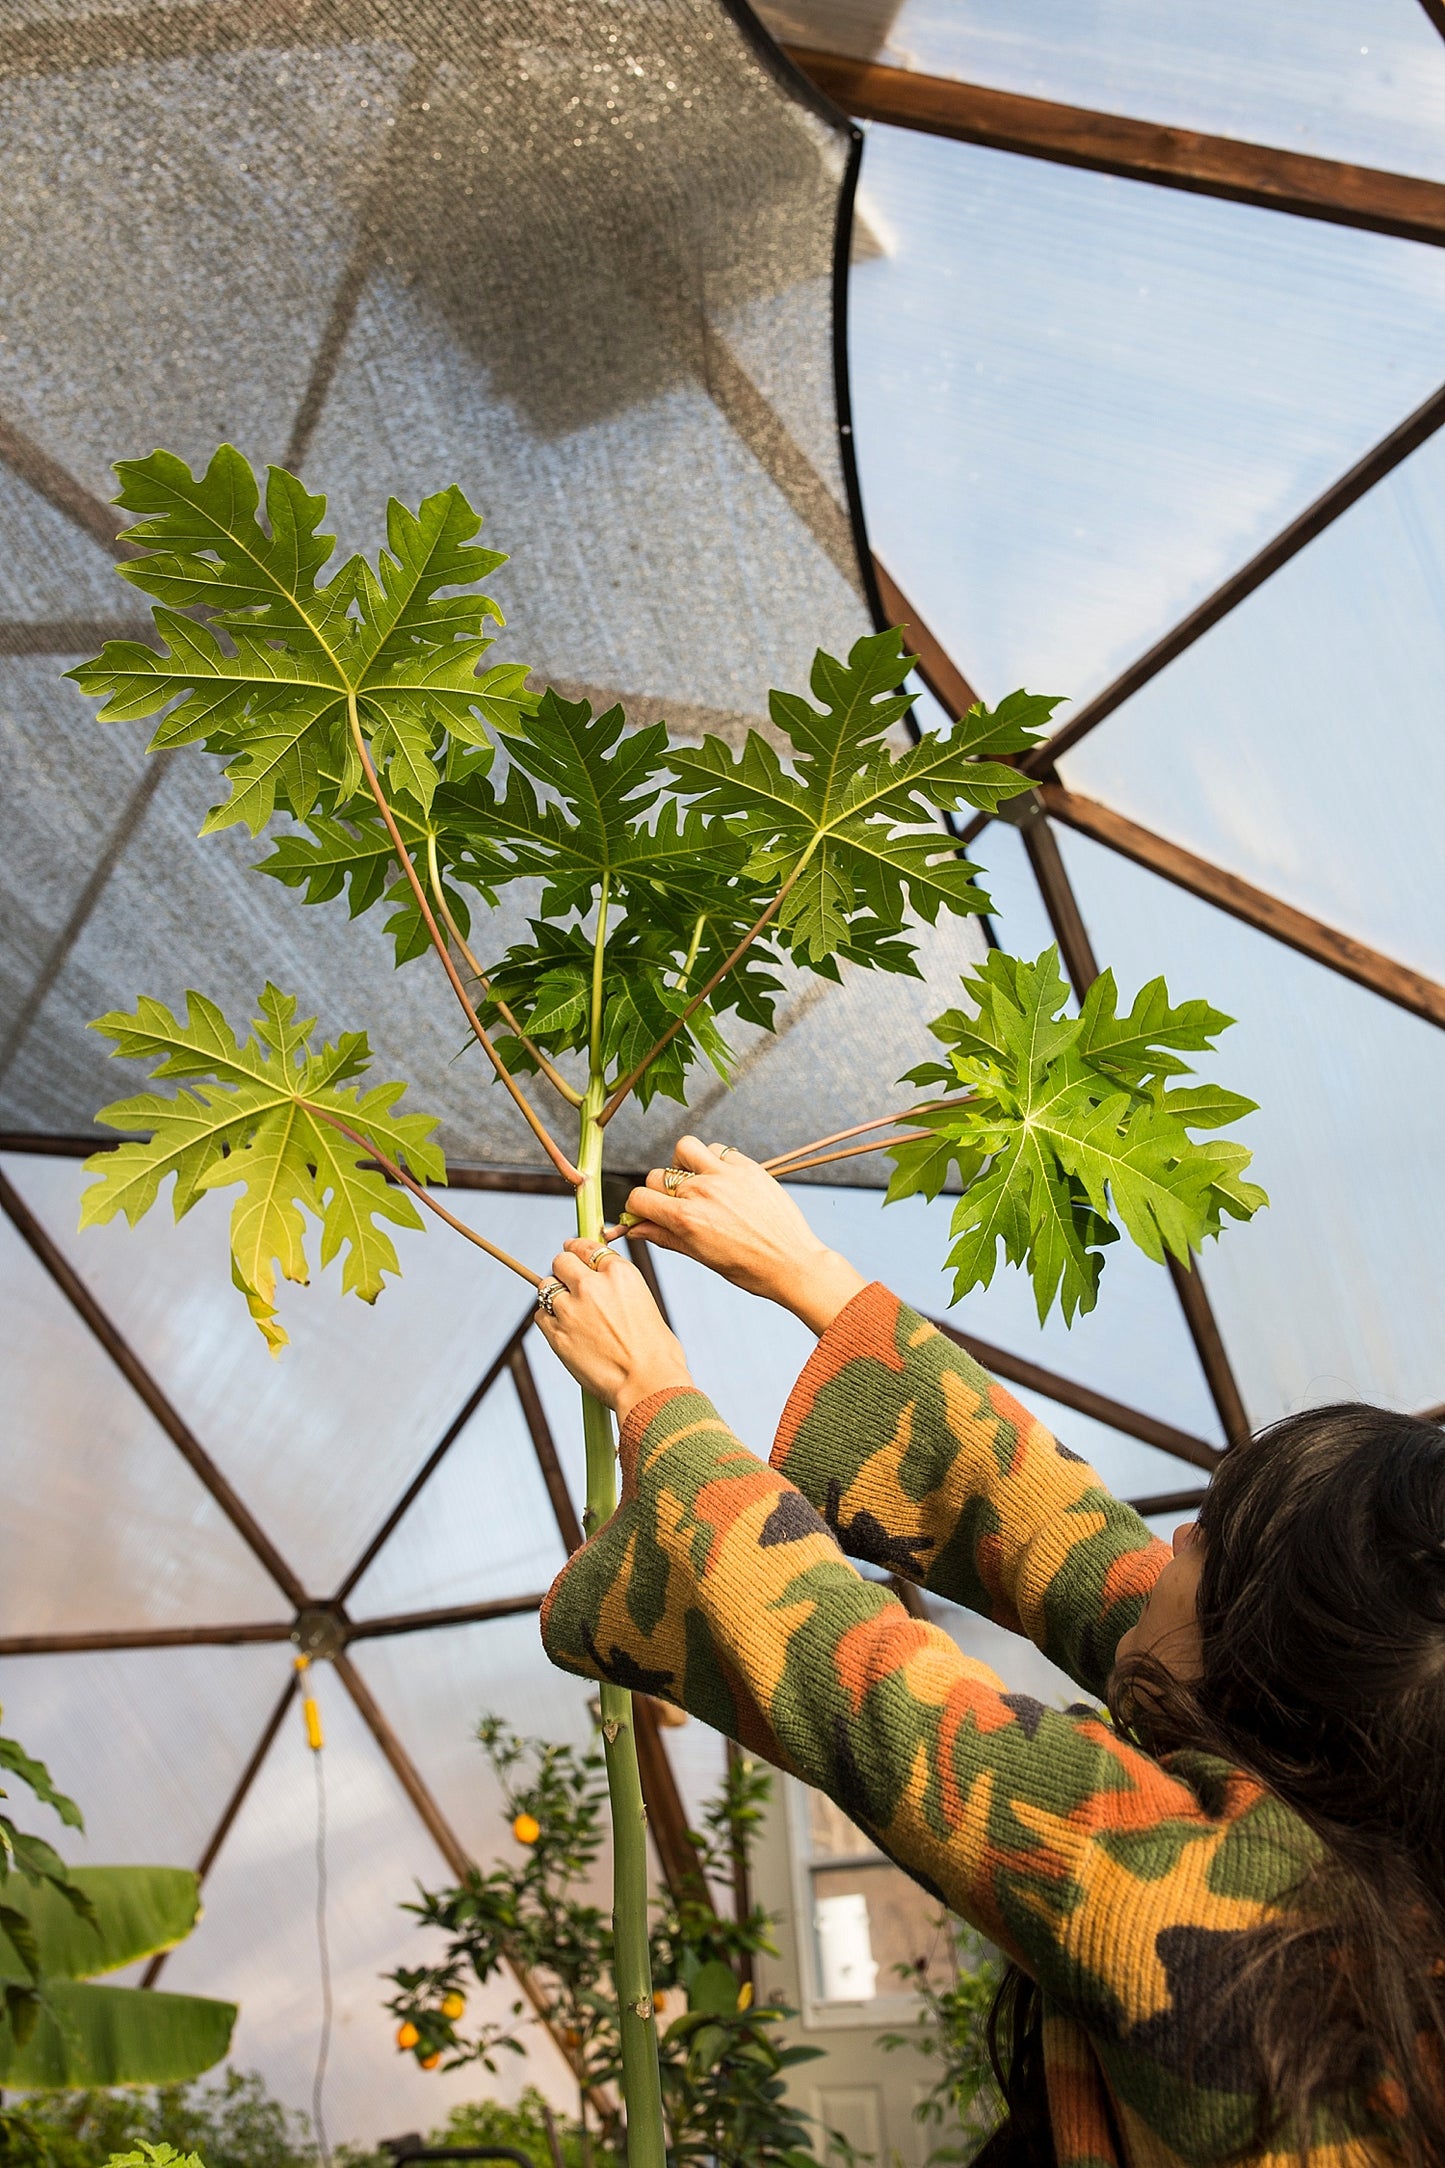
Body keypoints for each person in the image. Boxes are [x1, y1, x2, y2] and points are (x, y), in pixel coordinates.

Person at [534, 1135, 1445, 2168]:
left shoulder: (1239, 1921)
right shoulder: (1377, 1784)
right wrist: (806, 1271)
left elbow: (873, 1690)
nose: (1173, 1542)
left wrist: (656, 1397)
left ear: (1262, 1667)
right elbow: (1077, 1548)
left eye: (1210, 1541)